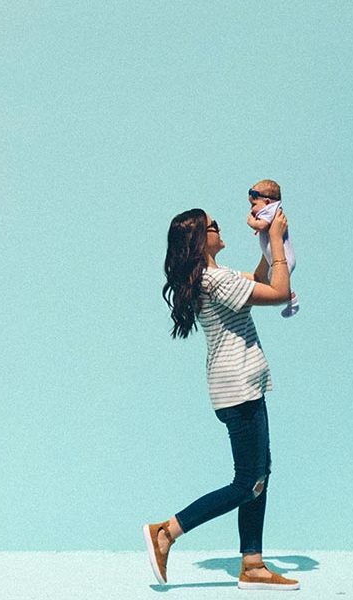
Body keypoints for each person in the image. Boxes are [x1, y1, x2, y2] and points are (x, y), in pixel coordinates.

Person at [142, 207, 300, 591]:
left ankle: (253, 564)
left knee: (259, 473)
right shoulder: (215, 281)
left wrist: (267, 240)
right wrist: (278, 242)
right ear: (200, 240)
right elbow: (278, 292)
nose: (220, 228)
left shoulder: (219, 278)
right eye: (213, 226)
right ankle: (167, 531)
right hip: (239, 386)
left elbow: (261, 279)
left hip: (239, 384)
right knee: (248, 481)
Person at [246, 180, 299, 318]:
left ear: (267, 202)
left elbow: (262, 226)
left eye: (253, 205)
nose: (251, 209)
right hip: (275, 259)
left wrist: (251, 222)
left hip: (284, 259)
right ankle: (290, 298)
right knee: (270, 282)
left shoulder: (271, 210)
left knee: (275, 287)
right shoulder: (268, 209)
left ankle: (291, 299)